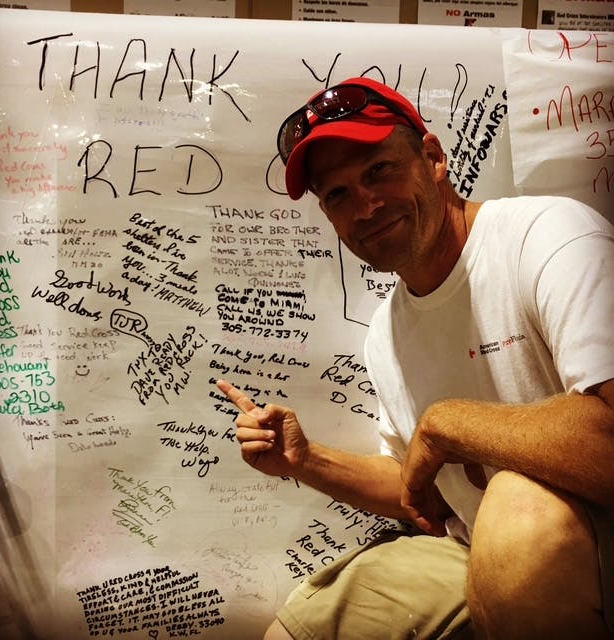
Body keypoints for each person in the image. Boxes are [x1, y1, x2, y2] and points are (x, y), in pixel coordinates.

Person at [217, 76, 614, 639]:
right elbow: (418, 488)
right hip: (472, 550)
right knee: (300, 630)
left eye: (379, 170)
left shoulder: (548, 236)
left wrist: (449, 424)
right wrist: (305, 461)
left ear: (433, 159)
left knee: (516, 509)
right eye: (338, 195)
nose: (366, 206)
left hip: (582, 540)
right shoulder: (386, 332)